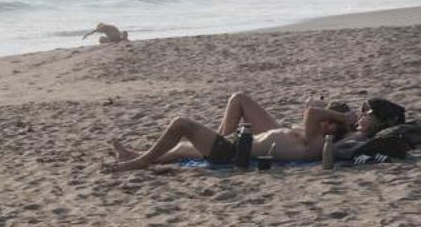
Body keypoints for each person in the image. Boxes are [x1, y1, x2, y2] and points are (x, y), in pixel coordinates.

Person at [108, 95, 354, 171]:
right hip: (251, 139)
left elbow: (311, 112)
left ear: (332, 125)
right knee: (239, 99)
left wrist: (346, 119)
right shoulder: (315, 135)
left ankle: (140, 160)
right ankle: (136, 154)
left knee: (181, 125)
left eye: (327, 119)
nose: (323, 119)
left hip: (235, 151)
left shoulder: (320, 141)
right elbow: (310, 113)